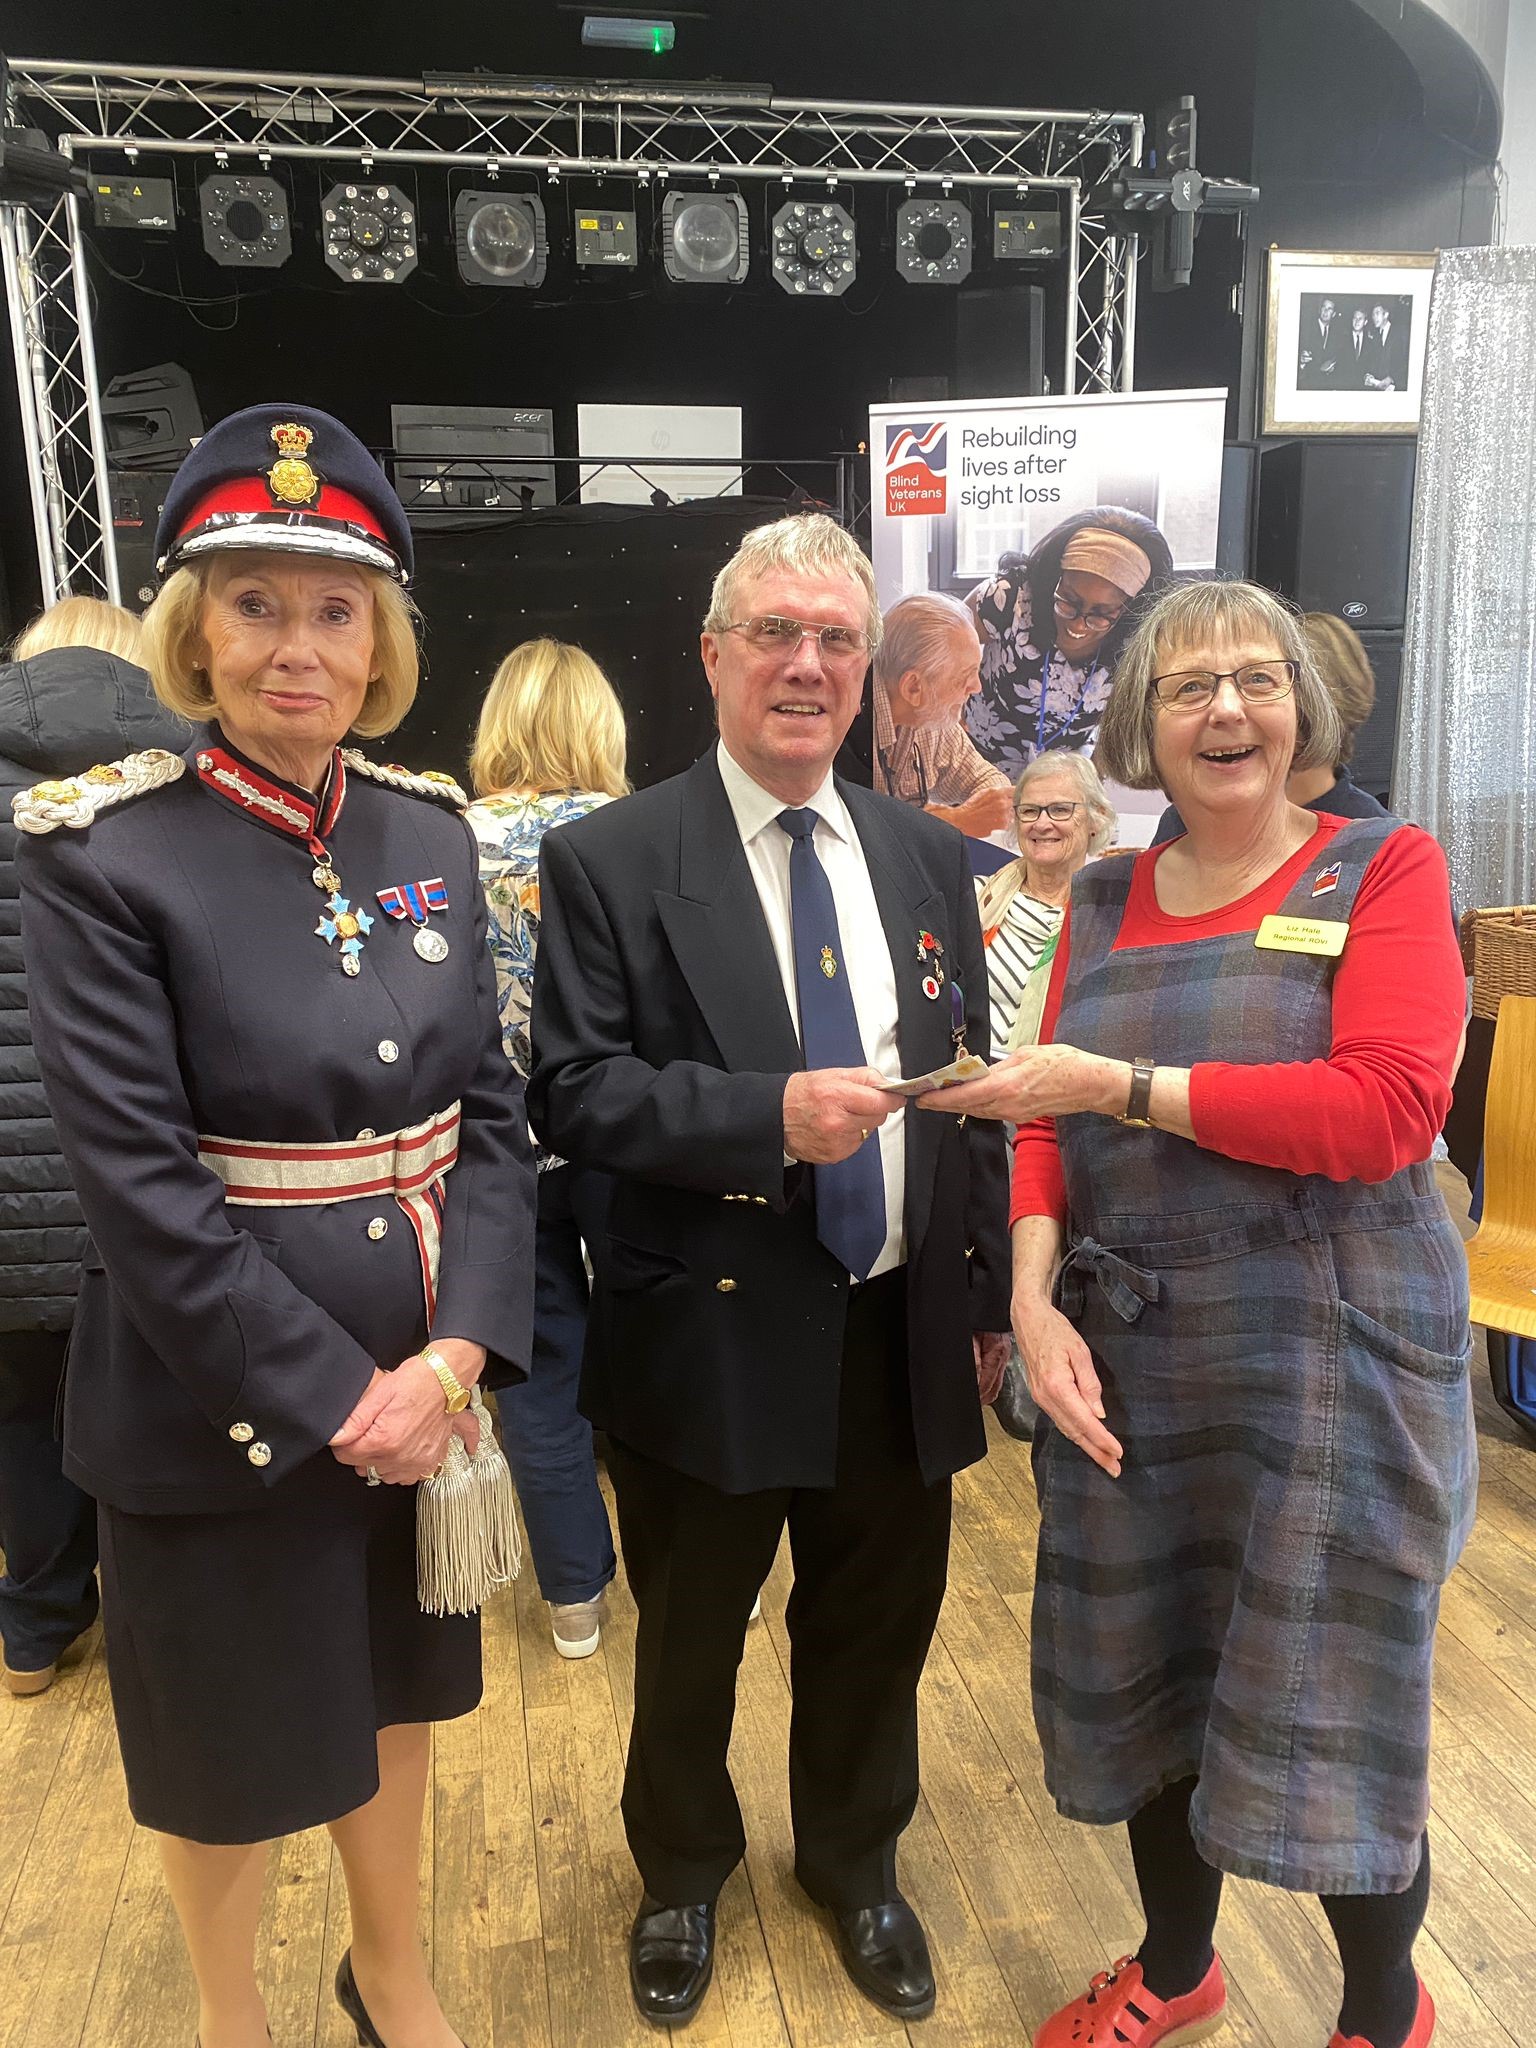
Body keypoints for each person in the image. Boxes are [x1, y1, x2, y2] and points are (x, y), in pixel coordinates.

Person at [15, 403, 534, 2048]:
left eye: (331, 605)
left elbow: (494, 1122)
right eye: (253, 601)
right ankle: (230, 2015)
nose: (293, 644)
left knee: (396, 1704)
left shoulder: (429, 832)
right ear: (194, 625)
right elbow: (144, 1192)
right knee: (227, 1752)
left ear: (379, 631)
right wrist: (343, 1396)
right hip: (215, 1397)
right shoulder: (108, 854)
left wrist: (452, 1355)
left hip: (419, 1381)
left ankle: (390, 1975)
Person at [918, 579, 1472, 2048]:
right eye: (1186, 687)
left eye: (1255, 680)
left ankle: (1382, 2006)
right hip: (1136, 1358)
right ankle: (1177, 1967)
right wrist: (1033, 1301)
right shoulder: (1099, 898)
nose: (1227, 709)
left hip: (1335, 1361)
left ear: (1302, 706)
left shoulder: (1384, 871)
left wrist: (1120, 1086)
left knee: (1338, 1684)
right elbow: (1040, 1127)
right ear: (1139, 727)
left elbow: (1389, 1113)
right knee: (1144, 1671)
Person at [527, 513, 1010, 2029]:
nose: (808, 665)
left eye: (839, 639)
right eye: (777, 636)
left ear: (870, 669)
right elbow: (574, 1092)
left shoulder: (934, 858)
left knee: (877, 1632)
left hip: (894, 1330)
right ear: (715, 658)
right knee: (686, 1642)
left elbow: (964, 1089)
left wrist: (991, 1306)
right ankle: (681, 1873)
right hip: (707, 1336)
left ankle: (854, 1865)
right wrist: (764, 1116)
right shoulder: (609, 858)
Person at [0, 598, 190, 1697]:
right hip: (140, 1169)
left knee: (22, 1404)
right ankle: (158, 1635)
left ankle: (33, 1627)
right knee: (152, 1406)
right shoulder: (183, 785)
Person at [465, 637, 626, 1661]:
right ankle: (705, 1572)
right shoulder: (646, 837)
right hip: (631, 1142)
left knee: (535, 1375)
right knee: (670, 1357)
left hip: (500, 1155)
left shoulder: (446, 839)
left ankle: (574, 1594)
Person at [974, 751, 1115, 1442]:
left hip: (1066, 1104)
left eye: (1062, 809)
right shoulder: (985, 896)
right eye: (1031, 810)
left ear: (1094, 820)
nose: (1044, 823)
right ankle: (988, 1356)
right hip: (977, 1095)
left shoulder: (1109, 908)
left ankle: (1038, 1391)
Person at [962, 507, 1172, 780]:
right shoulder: (1009, 598)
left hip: (1058, 780)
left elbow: (1111, 740)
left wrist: (1084, 792)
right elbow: (942, 657)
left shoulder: (1137, 641)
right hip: (972, 769)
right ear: (1055, 580)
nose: (1078, 625)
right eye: (1068, 601)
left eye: (1101, 614)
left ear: (1128, 610)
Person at [1151, 609, 1388, 844]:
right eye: (1193, 688)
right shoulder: (1183, 820)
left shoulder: (1376, 845)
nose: (1228, 710)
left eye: (1259, 681)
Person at [872, 591, 1013, 836]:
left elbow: (987, 780)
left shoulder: (928, 716)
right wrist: (955, 821)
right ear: (913, 687)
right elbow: (857, 836)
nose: (976, 687)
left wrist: (987, 808)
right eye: (964, 676)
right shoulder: (848, 726)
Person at [1298, 296, 1340, 388]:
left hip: (1326, 384)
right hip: (1306, 383)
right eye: (1324, 307)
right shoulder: (1305, 327)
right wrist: (1300, 360)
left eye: (1329, 309)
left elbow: (1336, 357)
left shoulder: (1337, 334)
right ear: (1320, 310)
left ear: (1334, 314)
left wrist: (1333, 367)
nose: (1325, 311)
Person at [1366, 302, 1409, 393]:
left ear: (1386, 314)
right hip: (1379, 387)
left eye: (1377, 313)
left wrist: (1391, 378)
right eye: (1373, 314)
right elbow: (1374, 360)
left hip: (1397, 387)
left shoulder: (1400, 332)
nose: (1374, 317)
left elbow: (1406, 359)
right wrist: (1369, 375)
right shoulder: (1375, 335)